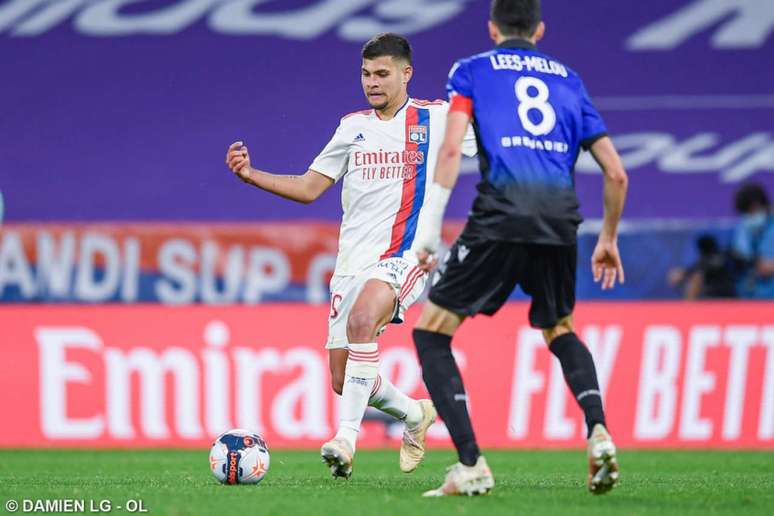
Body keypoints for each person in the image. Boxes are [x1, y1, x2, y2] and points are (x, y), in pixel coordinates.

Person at [225, 33, 476, 479]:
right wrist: (250, 176)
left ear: (406, 73)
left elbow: (491, 145)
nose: (372, 82)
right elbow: (309, 187)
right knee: (344, 379)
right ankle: (416, 415)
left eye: (382, 73)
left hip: (405, 256)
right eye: (365, 74)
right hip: (350, 267)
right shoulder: (352, 127)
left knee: (363, 323)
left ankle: (346, 439)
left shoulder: (436, 119)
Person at [410, 0, 628, 497]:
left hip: (500, 216)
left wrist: (429, 230)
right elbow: (616, 172)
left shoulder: (470, 71)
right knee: (560, 328)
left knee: (432, 334)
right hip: (559, 220)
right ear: (540, 30)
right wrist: (609, 239)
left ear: (492, 28)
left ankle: (471, 464)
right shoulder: (569, 79)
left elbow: (450, 150)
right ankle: (598, 431)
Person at [731, 183, 774, 298]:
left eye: (751, 211)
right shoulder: (744, 226)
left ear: (759, 205)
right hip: (749, 295)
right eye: (746, 213)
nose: (749, 216)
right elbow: (740, 252)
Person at [667, 234, 736, 299]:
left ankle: (688, 306)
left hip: (715, 296)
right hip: (730, 293)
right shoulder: (726, 253)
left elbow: (696, 271)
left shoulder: (707, 259)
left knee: (697, 278)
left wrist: (682, 273)